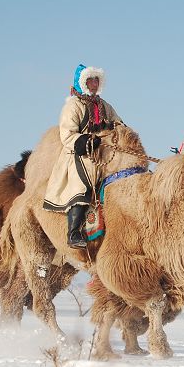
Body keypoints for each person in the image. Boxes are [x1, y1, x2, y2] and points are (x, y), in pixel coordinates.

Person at [43, 64, 123, 248]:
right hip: (79, 154)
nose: (94, 84)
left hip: (103, 152)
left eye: (96, 80)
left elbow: (118, 123)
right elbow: (67, 134)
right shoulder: (73, 105)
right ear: (82, 82)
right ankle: (74, 232)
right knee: (82, 181)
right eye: (90, 80)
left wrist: (123, 133)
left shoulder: (104, 106)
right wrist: (85, 141)